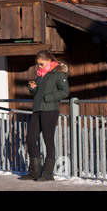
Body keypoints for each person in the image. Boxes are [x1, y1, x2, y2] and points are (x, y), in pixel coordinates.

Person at [19, 50, 69, 181]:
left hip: (50, 110)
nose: (39, 67)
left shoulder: (58, 73)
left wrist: (49, 97)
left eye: (41, 64)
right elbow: (35, 93)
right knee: (30, 139)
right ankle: (34, 172)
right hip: (37, 109)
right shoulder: (40, 74)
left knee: (48, 141)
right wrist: (33, 87)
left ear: (48, 61)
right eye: (38, 64)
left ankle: (47, 173)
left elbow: (65, 91)